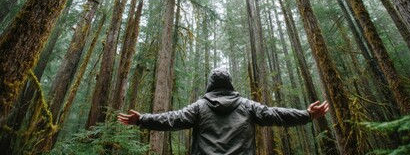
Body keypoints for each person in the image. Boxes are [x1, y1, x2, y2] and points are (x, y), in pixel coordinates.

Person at [118, 67, 329, 154]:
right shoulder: (247, 105)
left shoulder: (199, 107)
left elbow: (171, 119)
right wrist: (306, 114)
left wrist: (142, 119)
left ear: (210, 84)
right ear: (230, 84)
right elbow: (275, 114)